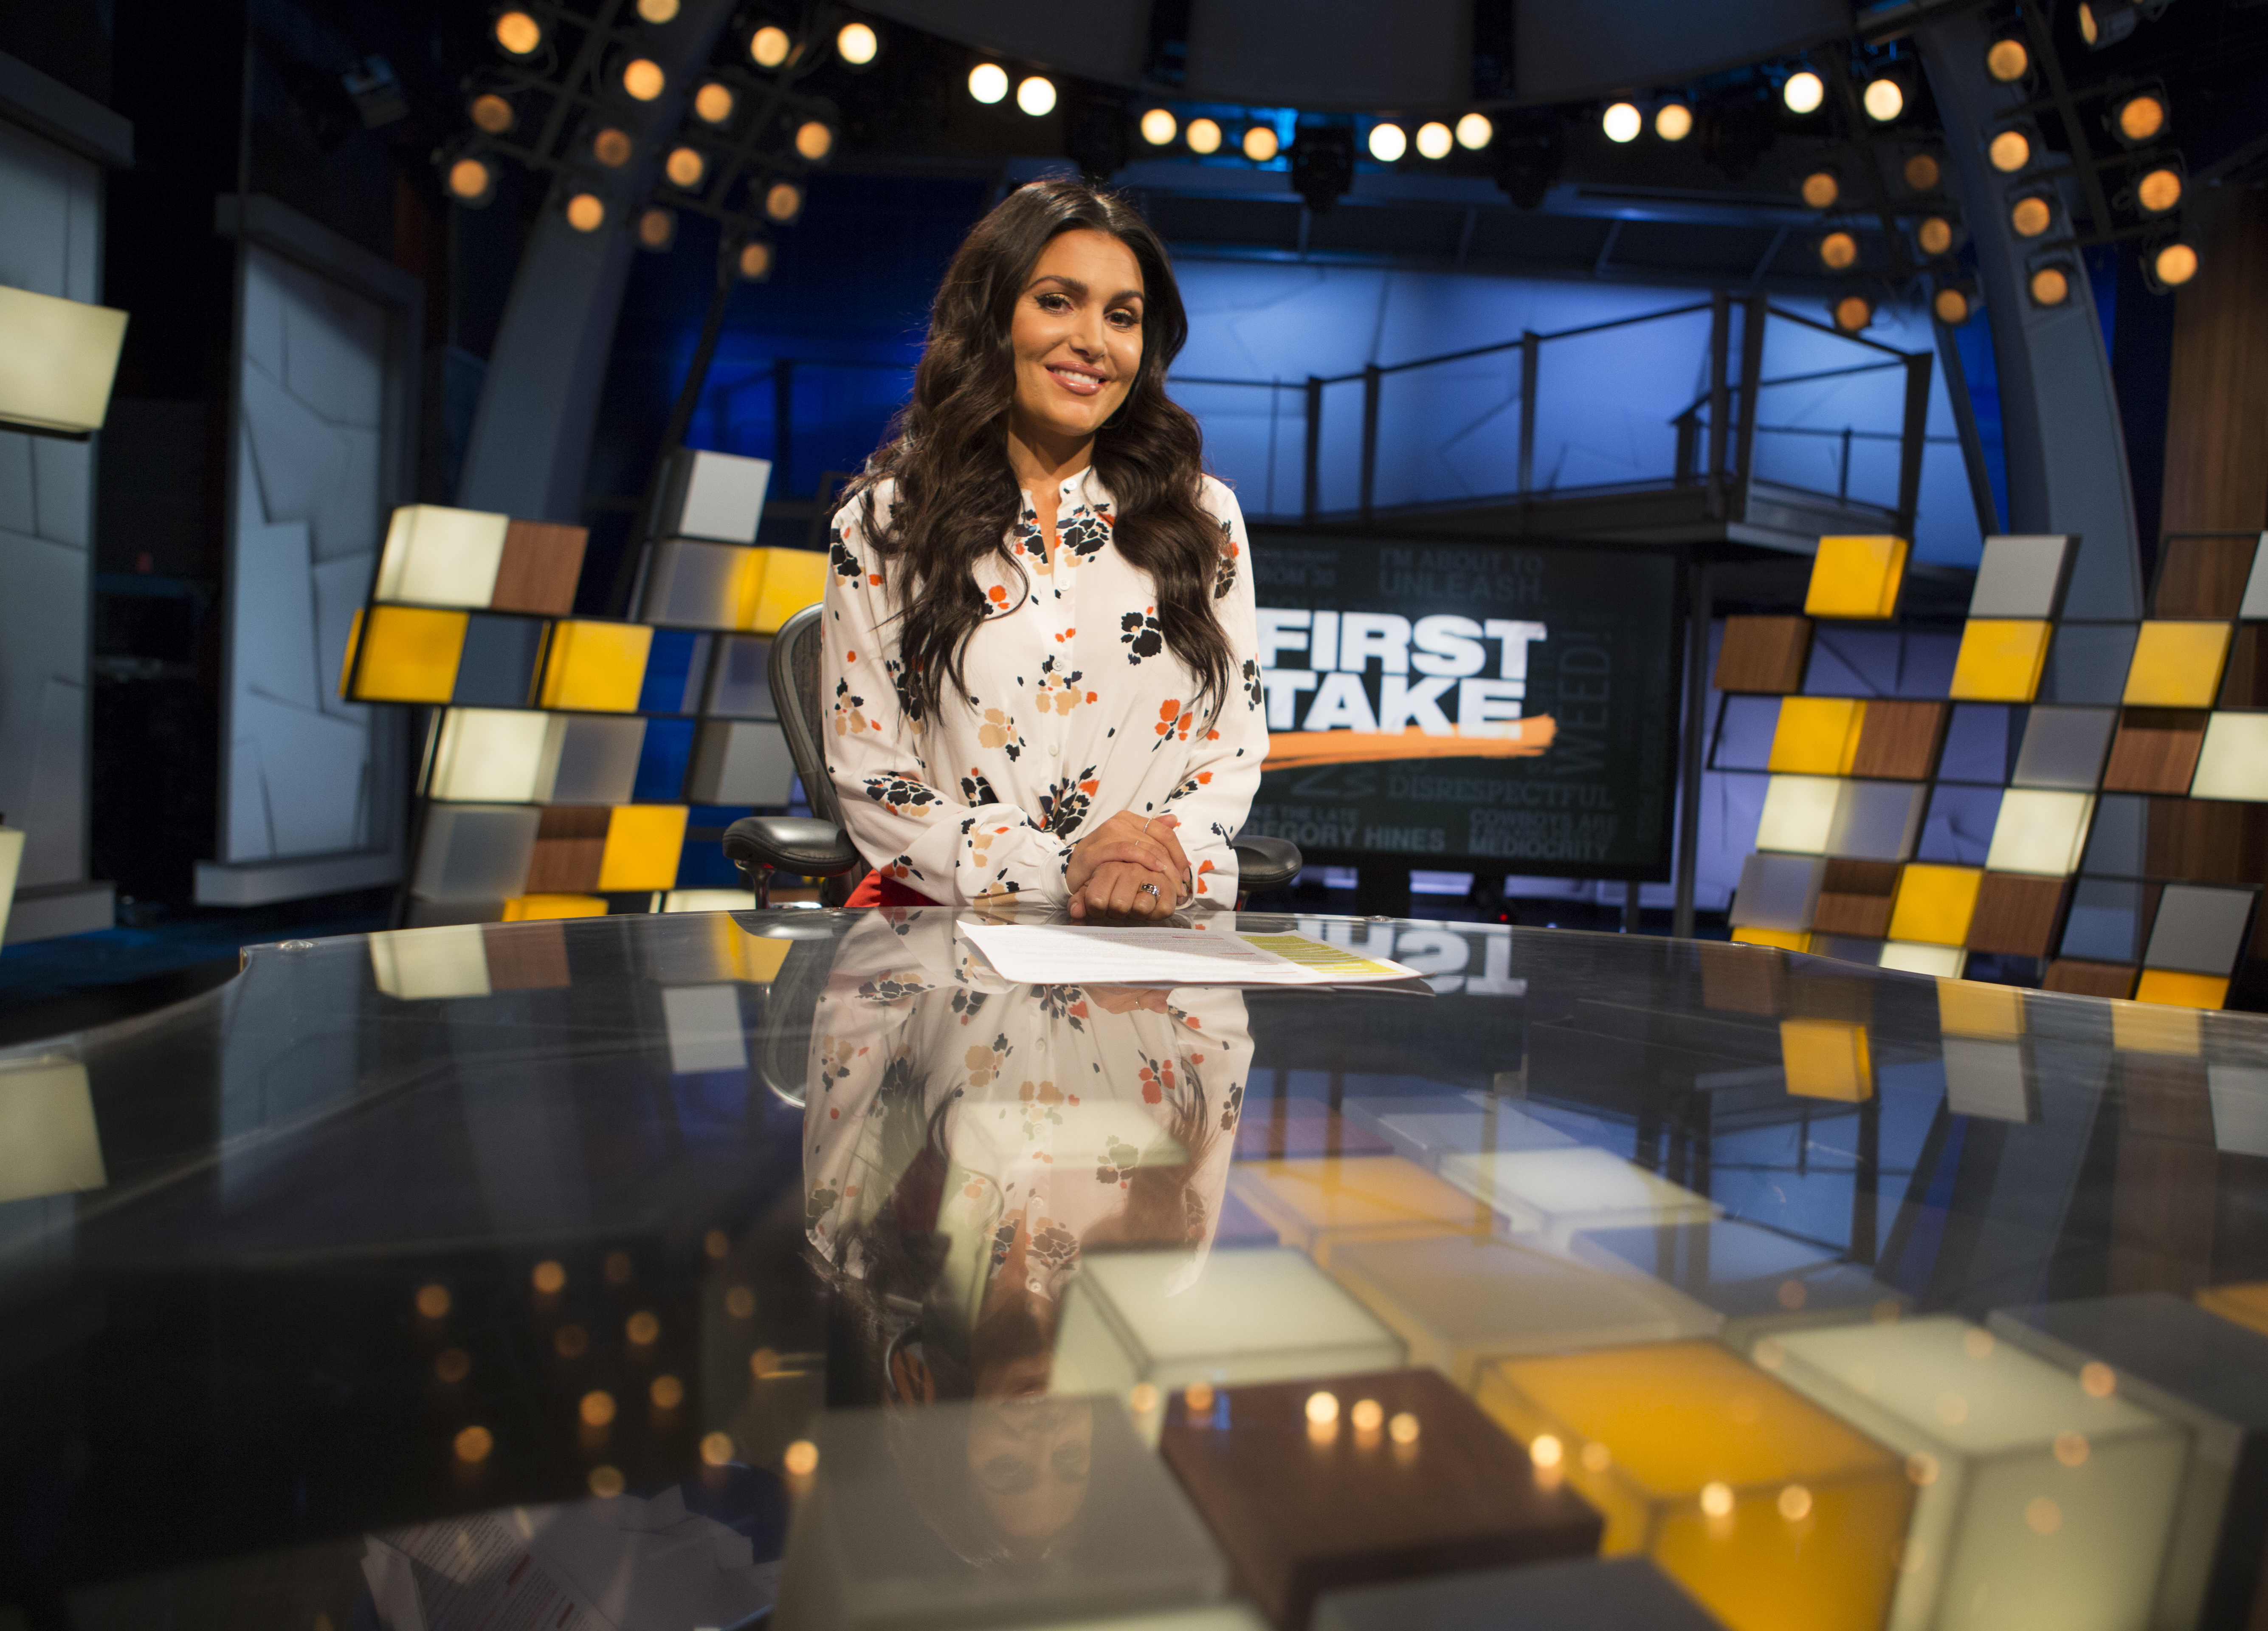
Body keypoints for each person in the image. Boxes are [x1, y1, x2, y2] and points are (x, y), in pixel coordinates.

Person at [823, 176, 1266, 918]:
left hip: (1150, 924)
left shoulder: (1202, 519)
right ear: (991, 315)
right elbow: (874, 779)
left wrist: (1148, 865)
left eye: (1121, 317)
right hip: (953, 935)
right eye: (1056, 301)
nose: (1092, 342)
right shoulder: (885, 525)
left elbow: (1230, 751)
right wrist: (1057, 868)